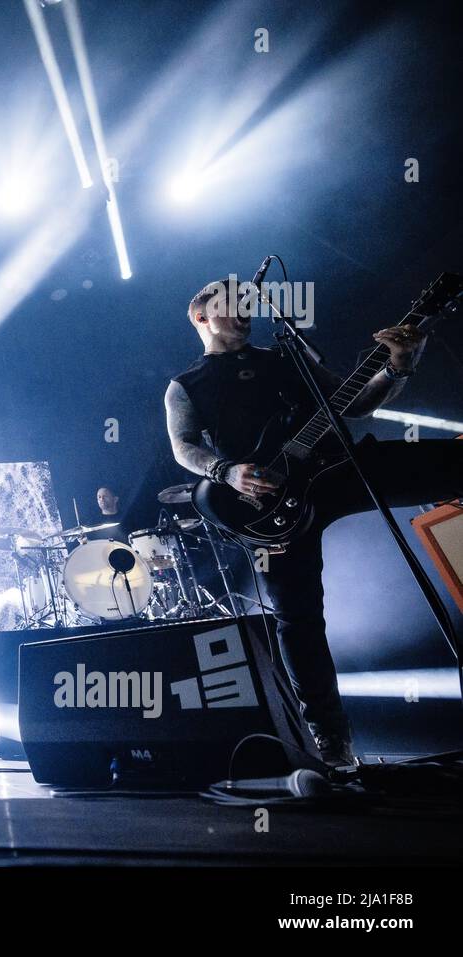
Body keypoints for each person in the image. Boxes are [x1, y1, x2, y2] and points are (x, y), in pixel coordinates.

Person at [164, 278, 461, 766]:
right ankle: (330, 736)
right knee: (297, 617)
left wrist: (398, 366)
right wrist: (227, 470)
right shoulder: (186, 384)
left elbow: (358, 402)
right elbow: (184, 445)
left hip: (337, 469)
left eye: (247, 306)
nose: (243, 313)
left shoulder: (286, 357)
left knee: (448, 465)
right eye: (230, 307)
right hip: (268, 505)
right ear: (201, 317)